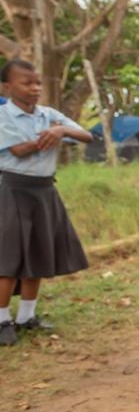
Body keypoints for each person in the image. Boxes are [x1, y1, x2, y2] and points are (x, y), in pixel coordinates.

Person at [0, 59, 91, 347]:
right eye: (26, 83)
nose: (35, 88)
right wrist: (52, 133)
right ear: (6, 87)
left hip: (44, 190)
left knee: (38, 253)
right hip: (13, 189)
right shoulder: (3, 116)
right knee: (8, 259)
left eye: (38, 82)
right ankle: (2, 320)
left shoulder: (49, 115)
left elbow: (86, 135)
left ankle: (27, 316)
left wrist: (61, 130)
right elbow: (19, 150)